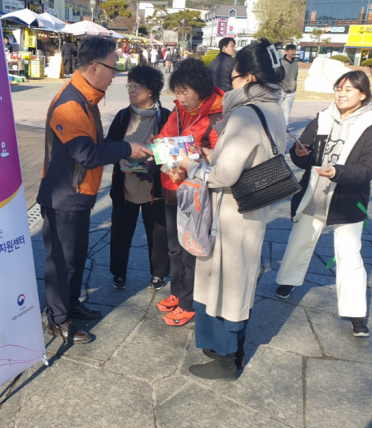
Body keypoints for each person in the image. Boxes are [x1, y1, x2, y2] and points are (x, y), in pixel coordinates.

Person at [177, 39, 286, 380]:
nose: (229, 81)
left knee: (224, 284)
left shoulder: (245, 114)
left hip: (231, 214)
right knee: (238, 283)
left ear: (249, 77)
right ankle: (231, 352)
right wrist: (214, 157)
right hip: (252, 209)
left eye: (233, 74)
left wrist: (192, 167)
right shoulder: (273, 108)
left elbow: (224, 175)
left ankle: (224, 360)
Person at [37, 37, 153, 344]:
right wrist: (127, 148)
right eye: (113, 69)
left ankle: (71, 304)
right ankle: (58, 319)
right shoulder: (70, 104)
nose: (115, 76)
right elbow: (86, 154)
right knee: (61, 262)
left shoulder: (86, 98)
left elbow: (97, 144)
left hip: (79, 194)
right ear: (94, 67)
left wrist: (126, 150)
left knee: (75, 257)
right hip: (63, 196)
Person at [275, 71, 372, 338]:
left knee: (349, 256)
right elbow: (303, 156)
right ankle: (288, 281)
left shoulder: (371, 127)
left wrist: (337, 172)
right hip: (313, 193)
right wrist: (299, 153)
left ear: (363, 95)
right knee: (299, 241)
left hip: (347, 200)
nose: (341, 94)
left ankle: (356, 313)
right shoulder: (323, 118)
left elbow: (369, 169)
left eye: (349, 89)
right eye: (339, 88)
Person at [156, 57, 224, 327]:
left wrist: (196, 160)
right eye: (177, 92)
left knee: (190, 250)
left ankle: (187, 303)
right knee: (174, 247)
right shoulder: (179, 110)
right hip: (172, 187)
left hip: (196, 195)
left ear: (201, 90)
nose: (181, 98)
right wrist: (164, 157)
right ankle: (176, 291)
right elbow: (165, 138)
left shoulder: (217, 116)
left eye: (185, 92)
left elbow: (220, 160)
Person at [107, 66, 171, 292]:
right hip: (125, 185)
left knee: (158, 233)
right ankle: (119, 273)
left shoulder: (166, 117)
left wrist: (153, 161)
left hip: (155, 187)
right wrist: (120, 160)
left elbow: (174, 149)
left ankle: (158, 274)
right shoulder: (122, 116)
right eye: (129, 85)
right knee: (121, 232)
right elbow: (109, 145)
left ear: (151, 90)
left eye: (137, 86)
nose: (131, 90)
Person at [280, 43, 298, 127]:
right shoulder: (281, 62)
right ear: (286, 51)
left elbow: (295, 75)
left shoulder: (295, 63)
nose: (293, 52)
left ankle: (285, 126)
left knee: (288, 110)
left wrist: (294, 86)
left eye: (294, 51)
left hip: (291, 90)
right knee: (276, 108)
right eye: (291, 51)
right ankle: (275, 125)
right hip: (281, 90)